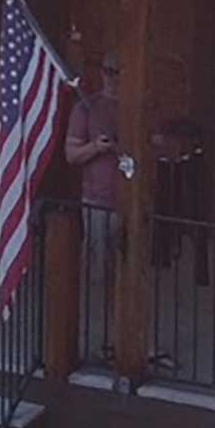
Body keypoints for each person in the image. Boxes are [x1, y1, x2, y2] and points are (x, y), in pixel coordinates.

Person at [62, 55, 125, 363]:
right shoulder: (86, 108)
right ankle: (99, 341)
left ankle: (124, 338)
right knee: (100, 274)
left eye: (121, 72)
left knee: (129, 275)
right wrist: (97, 148)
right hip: (98, 203)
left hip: (132, 205)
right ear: (102, 72)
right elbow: (71, 154)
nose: (115, 77)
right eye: (111, 71)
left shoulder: (140, 107)